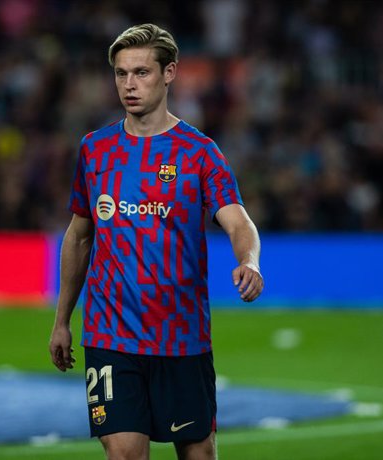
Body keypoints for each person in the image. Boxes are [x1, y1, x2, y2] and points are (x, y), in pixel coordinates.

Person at [49, 23, 263, 460]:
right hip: (111, 334)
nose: (129, 84)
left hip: (181, 338)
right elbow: (79, 236)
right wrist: (61, 320)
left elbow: (238, 221)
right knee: (125, 454)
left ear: (169, 74)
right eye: (121, 73)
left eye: (141, 72)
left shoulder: (199, 152)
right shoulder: (95, 150)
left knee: (198, 453)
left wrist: (250, 260)